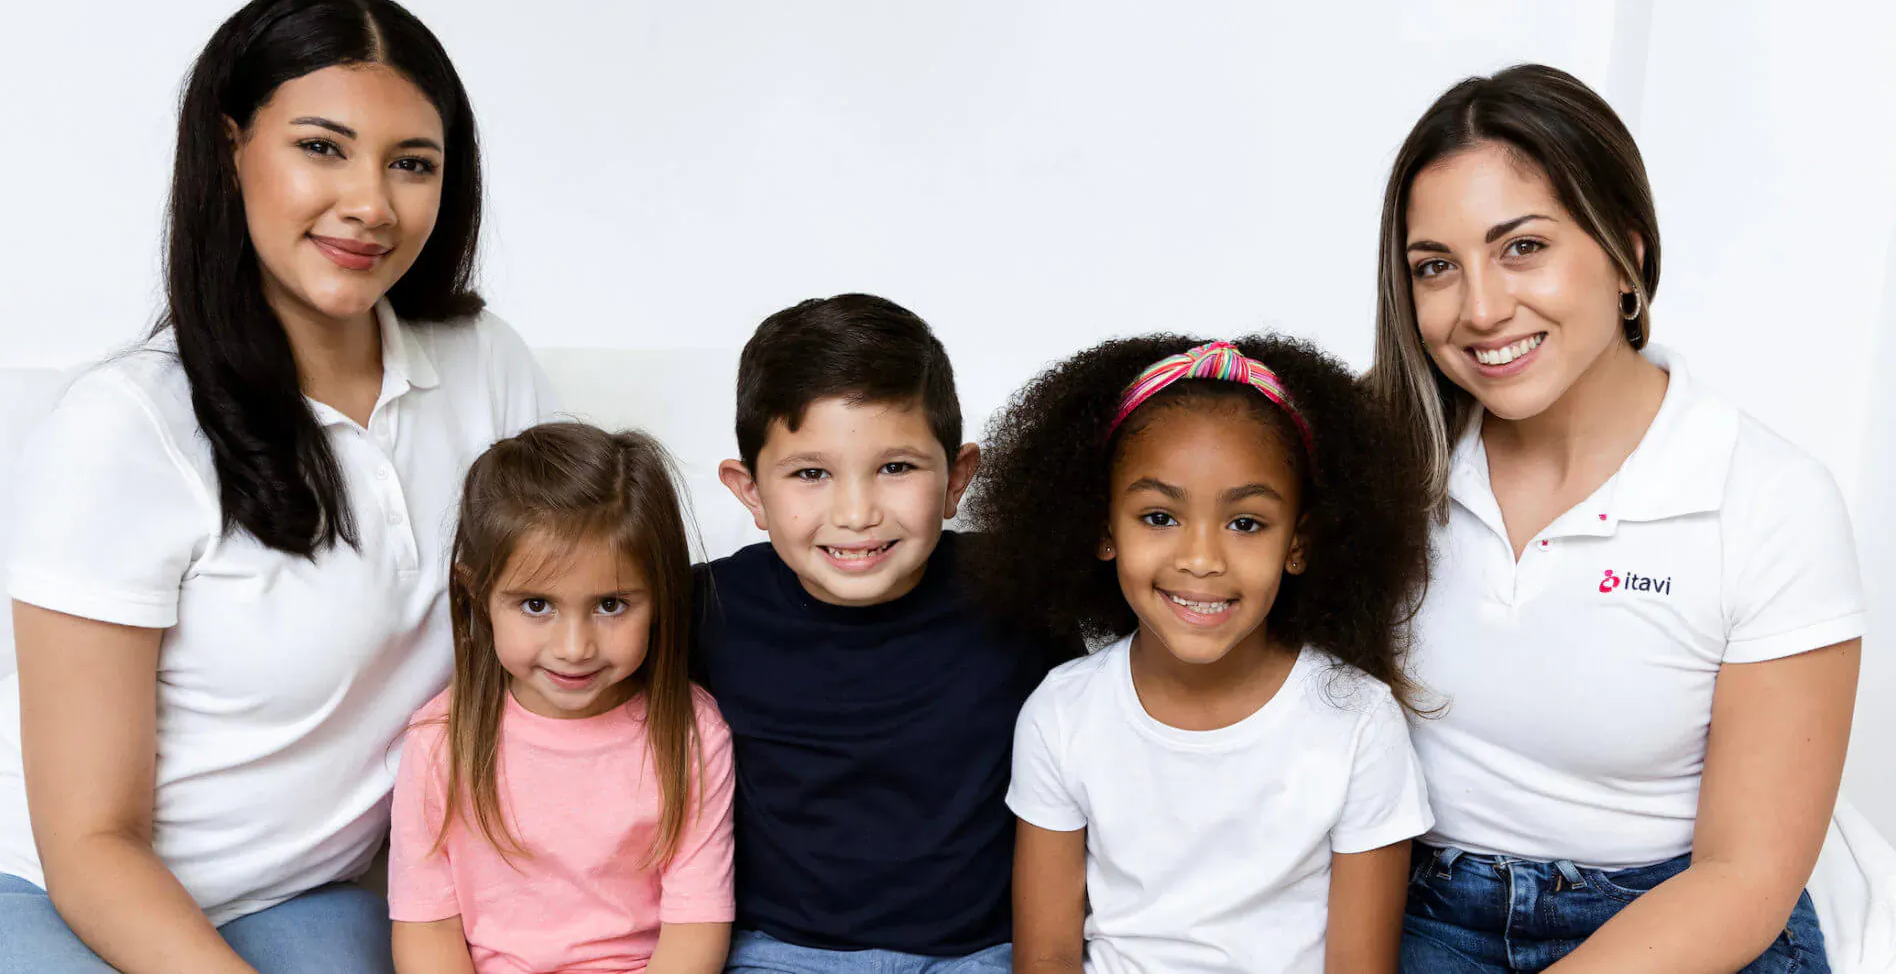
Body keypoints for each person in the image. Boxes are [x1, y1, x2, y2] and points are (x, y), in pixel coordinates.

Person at [0, 0, 551, 973]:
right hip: (50, 883)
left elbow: (591, 597)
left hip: (299, 892)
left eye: (413, 163)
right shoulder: (129, 426)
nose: (372, 203)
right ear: (231, 144)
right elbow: (90, 841)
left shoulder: (483, 364)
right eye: (321, 147)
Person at [1373, 64, 1863, 973]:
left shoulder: (1768, 498)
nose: (1480, 309)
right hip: (1419, 907)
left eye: (1522, 248)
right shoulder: (1385, 463)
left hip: (1679, 917)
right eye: (1436, 267)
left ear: (1629, 255)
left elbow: (1745, 873)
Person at [970, 334, 1435, 974]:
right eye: (1159, 517)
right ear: (1106, 531)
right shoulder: (1063, 712)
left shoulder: (1358, 721)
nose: (1201, 559)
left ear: (1297, 545)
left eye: (1246, 523)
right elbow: (1046, 957)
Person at [697, 294, 1066, 972]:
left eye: (896, 468)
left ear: (957, 479)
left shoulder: (1020, 593)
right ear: (750, 492)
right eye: (811, 473)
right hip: (779, 952)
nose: (857, 512)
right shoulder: (704, 608)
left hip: (977, 953)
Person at [389, 423, 735, 974]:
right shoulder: (439, 741)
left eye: (612, 605)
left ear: (662, 595)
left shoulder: (692, 734)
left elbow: (695, 928)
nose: (575, 648)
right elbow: (428, 927)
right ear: (477, 593)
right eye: (535, 606)